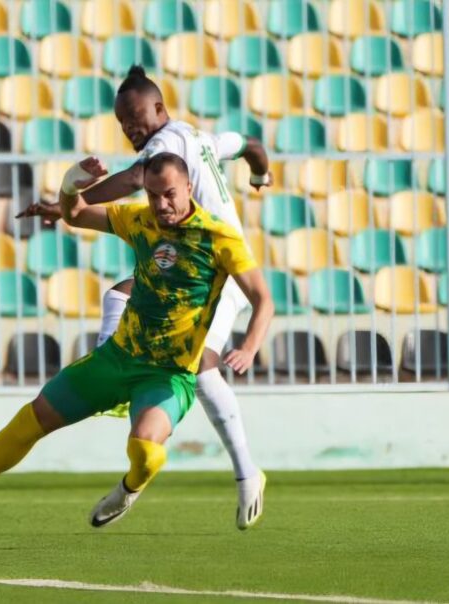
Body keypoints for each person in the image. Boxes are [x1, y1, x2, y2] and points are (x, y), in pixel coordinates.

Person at [0, 153, 273, 529]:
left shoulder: (219, 236)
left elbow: (263, 299)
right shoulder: (140, 220)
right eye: (152, 195)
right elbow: (75, 214)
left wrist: (249, 347)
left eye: (169, 194)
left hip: (167, 376)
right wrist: (71, 183)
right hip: (117, 359)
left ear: (188, 187)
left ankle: (128, 490)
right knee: (31, 419)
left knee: (146, 453)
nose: (161, 204)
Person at [20, 66, 273, 529]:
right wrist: (261, 174)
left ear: (161, 108)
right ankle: (115, 374)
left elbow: (137, 178)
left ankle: (247, 474)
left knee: (198, 366)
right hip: (193, 266)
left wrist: (68, 204)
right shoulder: (198, 137)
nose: (131, 129)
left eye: (136, 117)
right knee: (120, 294)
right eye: (123, 123)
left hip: (221, 271)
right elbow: (251, 145)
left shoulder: (164, 146)